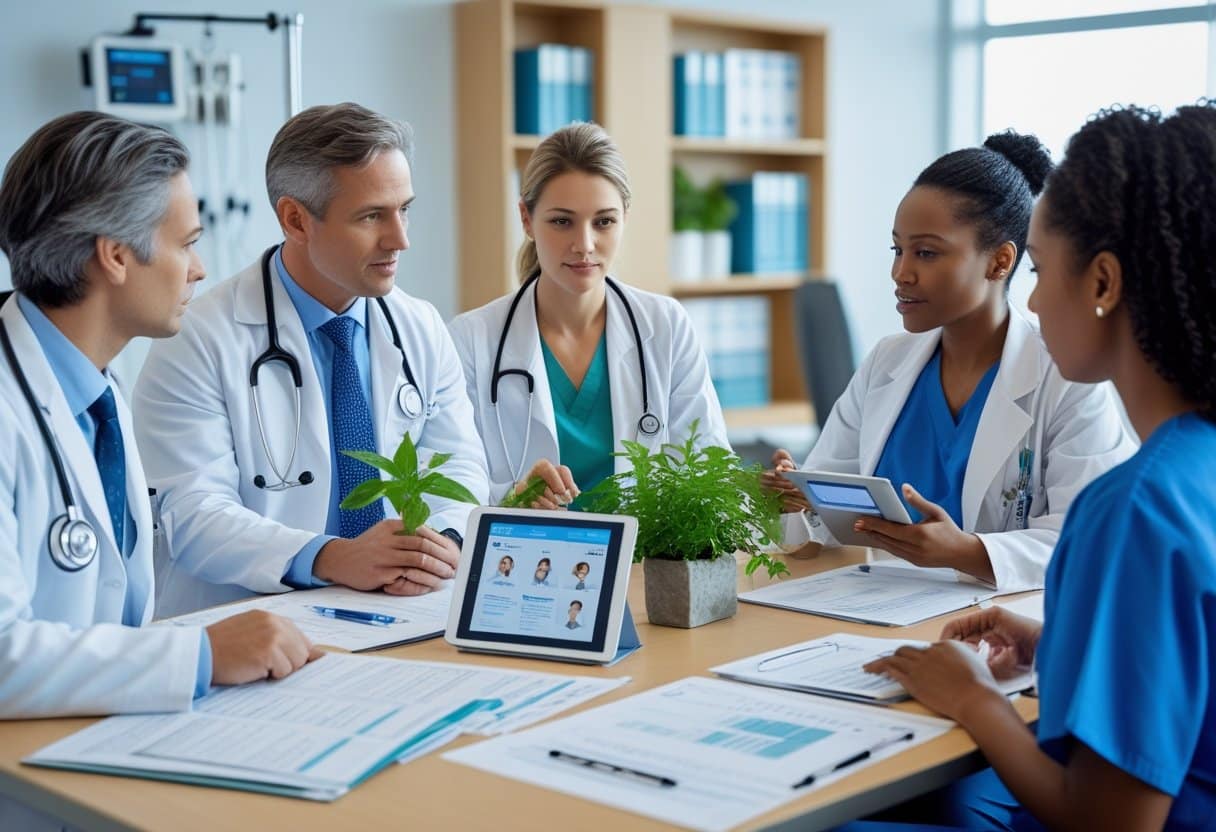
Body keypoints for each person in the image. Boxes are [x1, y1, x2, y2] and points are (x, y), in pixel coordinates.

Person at [860, 102, 1216, 831]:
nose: (1028, 296)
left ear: (1104, 283)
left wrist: (971, 699)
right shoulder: (1197, 470)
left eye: (1042, 268)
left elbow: (1110, 825)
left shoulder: (1135, 510)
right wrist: (1061, 645)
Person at [0, 112, 320, 724]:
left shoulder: (95, 389)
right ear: (116, 256)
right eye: (187, 243)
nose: (199, 269)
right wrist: (198, 655)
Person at [133, 103, 489, 617]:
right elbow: (194, 515)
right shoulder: (196, 338)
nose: (401, 239)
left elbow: (461, 464)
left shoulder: (420, 327)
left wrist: (443, 541)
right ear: (296, 219)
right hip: (248, 621)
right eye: (372, 216)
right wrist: (333, 557)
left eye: (404, 209)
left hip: (400, 612)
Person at [767, 132, 1134, 590]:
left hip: (999, 635)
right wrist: (800, 500)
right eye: (897, 249)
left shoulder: (1066, 378)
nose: (901, 273)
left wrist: (967, 553)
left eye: (926, 252)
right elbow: (829, 523)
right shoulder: (888, 362)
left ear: (999, 262)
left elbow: (1094, 544)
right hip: (875, 613)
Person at [448, 122, 727, 509]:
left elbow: (710, 472)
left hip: (643, 565)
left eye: (604, 221)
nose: (584, 244)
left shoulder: (665, 326)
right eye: (562, 221)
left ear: (624, 218)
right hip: (528, 558)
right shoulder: (472, 340)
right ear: (526, 219)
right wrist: (510, 499)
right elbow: (449, 491)